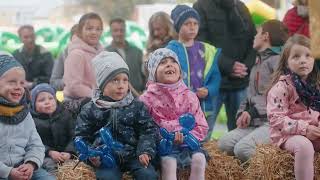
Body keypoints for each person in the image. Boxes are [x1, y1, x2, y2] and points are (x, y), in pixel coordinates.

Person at [75, 51, 158, 180]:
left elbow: (148, 130)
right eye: (115, 80)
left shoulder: (136, 106)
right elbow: (81, 136)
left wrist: (145, 151)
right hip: (106, 158)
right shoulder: (90, 108)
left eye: (125, 80)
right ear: (101, 84)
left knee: (149, 175)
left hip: (134, 155)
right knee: (107, 178)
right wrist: (92, 156)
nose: (121, 86)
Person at [218, 20, 289, 162]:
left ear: (265, 36)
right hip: (255, 121)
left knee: (242, 149)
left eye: (257, 33)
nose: (254, 37)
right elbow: (250, 95)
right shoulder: (258, 61)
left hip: (273, 123)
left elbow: (278, 97)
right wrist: (241, 113)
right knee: (223, 143)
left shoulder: (277, 62)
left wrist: (252, 112)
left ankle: (274, 171)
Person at [140, 48, 208, 180]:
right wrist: (166, 137)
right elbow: (145, 128)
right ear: (153, 72)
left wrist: (188, 137)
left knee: (199, 159)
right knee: (168, 162)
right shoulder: (146, 99)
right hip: (164, 146)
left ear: (179, 71)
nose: (169, 64)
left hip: (189, 144)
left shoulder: (189, 96)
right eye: (163, 62)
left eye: (173, 62)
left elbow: (201, 124)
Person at [193, 0, 257, 131]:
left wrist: (245, 67)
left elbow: (254, 40)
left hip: (240, 82)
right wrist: (228, 66)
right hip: (213, 82)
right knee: (203, 132)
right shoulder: (201, 7)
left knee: (241, 133)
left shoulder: (241, 7)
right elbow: (200, 43)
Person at [267, 34, 320, 180]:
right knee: (304, 147)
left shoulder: (316, 85)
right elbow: (276, 119)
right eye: (296, 57)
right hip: (287, 134)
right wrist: (305, 129)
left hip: (313, 131)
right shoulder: (281, 87)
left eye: (308, 56)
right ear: (286, 63)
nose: (303, 60)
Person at [166, 5, 221, 141]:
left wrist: (208, 90)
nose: (192, 27)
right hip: (179, 107)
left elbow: (216, 76)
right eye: (187, 24)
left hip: (203, 105)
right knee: (182, 139)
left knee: (202, 140)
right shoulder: (171, 50)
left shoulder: (207, 50)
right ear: (178, 26)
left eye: (195, 23)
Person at [0, 55, 55, 180]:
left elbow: (35, 144)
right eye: (12, 82)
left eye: (21, 83)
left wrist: (31, 164)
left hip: (23, 167)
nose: (18, 87)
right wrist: (8, 172)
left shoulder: (24, 113)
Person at [30, 83, 75, 174]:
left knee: (73, 167)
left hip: (65, 153)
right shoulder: (31, 120)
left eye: (51, 98)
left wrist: (69, 153)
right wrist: (49, 152)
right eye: (41, 100)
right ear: (34, 105)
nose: (47, 102)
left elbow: (74, 136)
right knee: (51, 166)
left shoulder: (65, 114)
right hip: (45, 156)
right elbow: (32, 143)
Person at [63, 12, 104, 100]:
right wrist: (99, 97)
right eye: (89, 29)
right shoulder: (77, 54)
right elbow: (74, 86)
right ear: (80, 31)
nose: (94, 32)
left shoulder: (101, 52)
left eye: (98, 29)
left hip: (96, 101)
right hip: (78, 103)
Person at [106, 18, 146, 95]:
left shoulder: (137, 51)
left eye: (121, 30)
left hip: (138, 95)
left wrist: (144, 91)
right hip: (117, 97)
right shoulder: (106, 53)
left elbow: (144, 75)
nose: (119, 33)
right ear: (111, 32)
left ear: (125, 31)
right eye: (115, 30)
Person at [50, 24, 78, 91]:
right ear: (71, 38)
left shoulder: (98, 54)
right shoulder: (64, 54)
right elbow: (53, 82)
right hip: (71, 98)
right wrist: (66, 81)